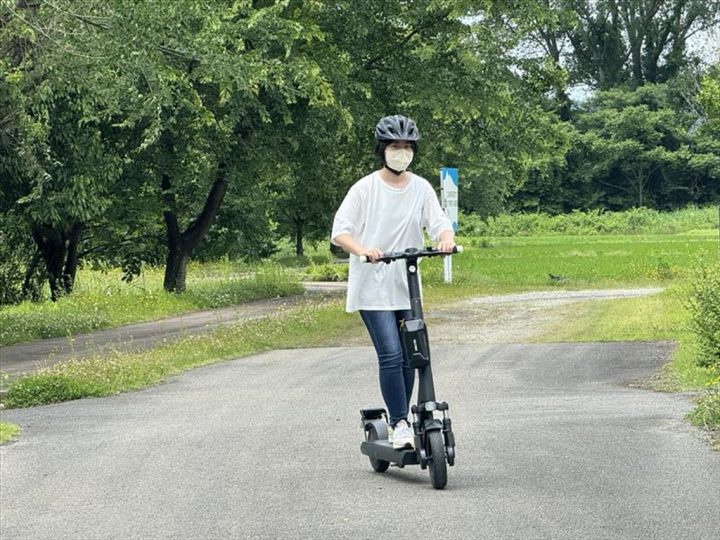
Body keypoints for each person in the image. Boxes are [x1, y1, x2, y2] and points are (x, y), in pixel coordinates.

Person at [331, 114, 456, 449]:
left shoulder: (421, 188)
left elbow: (439, 221)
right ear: (382, 149)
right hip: (373, 286)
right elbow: (340, 231)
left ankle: (402, 417)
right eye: (394, 146)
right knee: (389, 354)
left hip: (406, 285)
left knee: (411, 355)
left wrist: (445, 239)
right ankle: (400, 423)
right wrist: (364, 249)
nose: (401, 152)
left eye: (406, 146)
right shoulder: (365, 188)